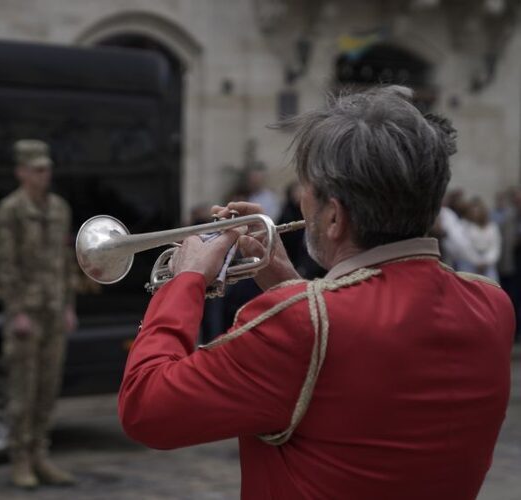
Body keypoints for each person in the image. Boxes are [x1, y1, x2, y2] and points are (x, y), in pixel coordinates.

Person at [118, 86, 514, 499]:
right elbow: (355, 371)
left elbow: (146, 409)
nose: (302, 205)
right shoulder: (490, 303)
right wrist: (288, 283)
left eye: (306, 190)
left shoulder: (301, 323)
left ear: (334, 218)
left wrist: (186, 281)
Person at [0, 139, 78, 489]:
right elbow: (5, 265)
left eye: (48, 168)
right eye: (38, 169)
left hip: (54, 310)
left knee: (47, 387)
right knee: (22, 390)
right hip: (27, 314)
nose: (46, 175)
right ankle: (20, 459)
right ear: (22, 172)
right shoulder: (9, 211)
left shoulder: (59, 209)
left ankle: (41, 454)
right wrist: (17, 312)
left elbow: (66, 263)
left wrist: (69, 305)